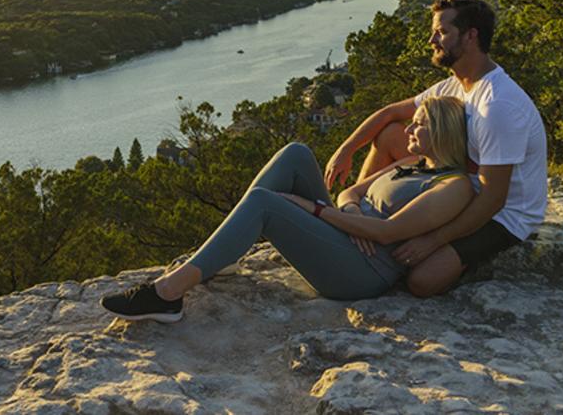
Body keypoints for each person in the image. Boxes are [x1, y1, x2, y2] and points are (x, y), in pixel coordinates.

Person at [100, 96, 473, 322]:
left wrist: (312, 209)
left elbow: (390, 233)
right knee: (296, 153)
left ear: (442, 132)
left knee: (266, 203)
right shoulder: (414, 162)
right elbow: (351, 193)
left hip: (362, 270)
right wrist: (353, 212)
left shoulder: (452, 187)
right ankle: (221, 253)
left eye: (419, 125)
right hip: (349, 232)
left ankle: (167, 295)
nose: (409, 130)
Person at [322, 0, 548, 298]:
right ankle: (363, 224)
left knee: (422, 281)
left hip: (503, 215)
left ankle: (450, 258)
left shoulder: (498, 106)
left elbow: (493, 198)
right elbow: (389, 114)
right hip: (454, 182)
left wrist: (434, 240)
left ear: (471, 36)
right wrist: (345, 151)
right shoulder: (456, 84)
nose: (431, 39)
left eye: (441, 32)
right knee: (390, 134)